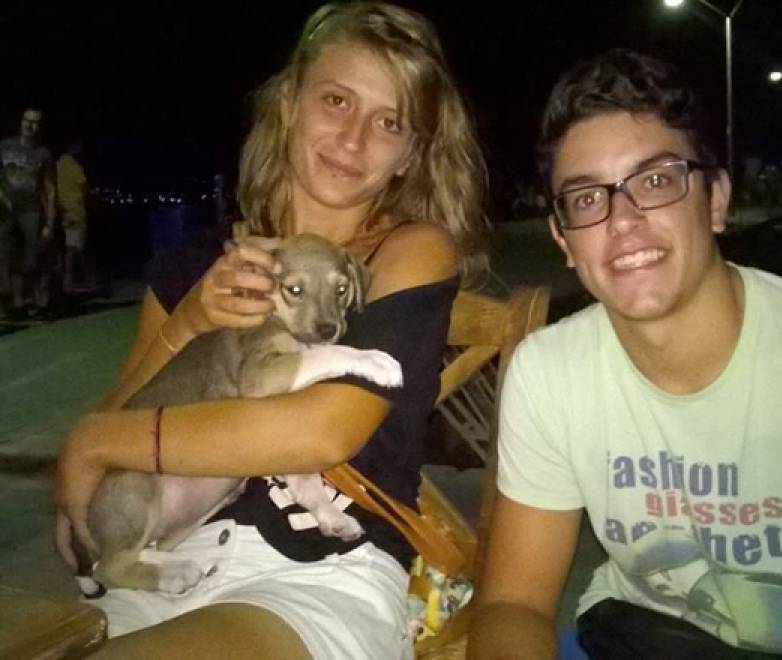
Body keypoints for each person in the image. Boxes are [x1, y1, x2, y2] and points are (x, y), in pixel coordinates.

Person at [54, 3, 487, 658]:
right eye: (336, 100)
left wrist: (89, 442)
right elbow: (107, 458)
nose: (353, 138)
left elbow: (319, 430)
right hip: (170, 557)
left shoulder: (405, 254)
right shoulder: (196, 266)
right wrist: (191, 321)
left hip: (318, 576)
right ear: (289, 103)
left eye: (388, 122)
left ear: (409, 156)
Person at [470, 48, 782, 660]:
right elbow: (514, 604)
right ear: (563, 240)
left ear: (716, 200)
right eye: (587, 198)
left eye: (655, 181)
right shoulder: (548, 371)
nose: (623, 220)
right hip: (631, 636)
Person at [0, 107, 55, 318]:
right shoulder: (5, 146)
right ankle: (10, 303)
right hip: (5, 210)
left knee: (32, 259)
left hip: (31, 211)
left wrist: (50, 221)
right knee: (4, 257)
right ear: (20, 121)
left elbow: (49, 188)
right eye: (27, 120)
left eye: (35, 122)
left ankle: (31, 301)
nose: (30, 126)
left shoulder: (43, 154)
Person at [56, 138, 90, 292]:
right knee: (74, 248)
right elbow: (83, 185)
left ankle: (68, 280)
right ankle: (70, 281)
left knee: (67, 248)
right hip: (75, 211)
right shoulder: (74, 166)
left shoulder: (59, 163)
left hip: (63, 210)